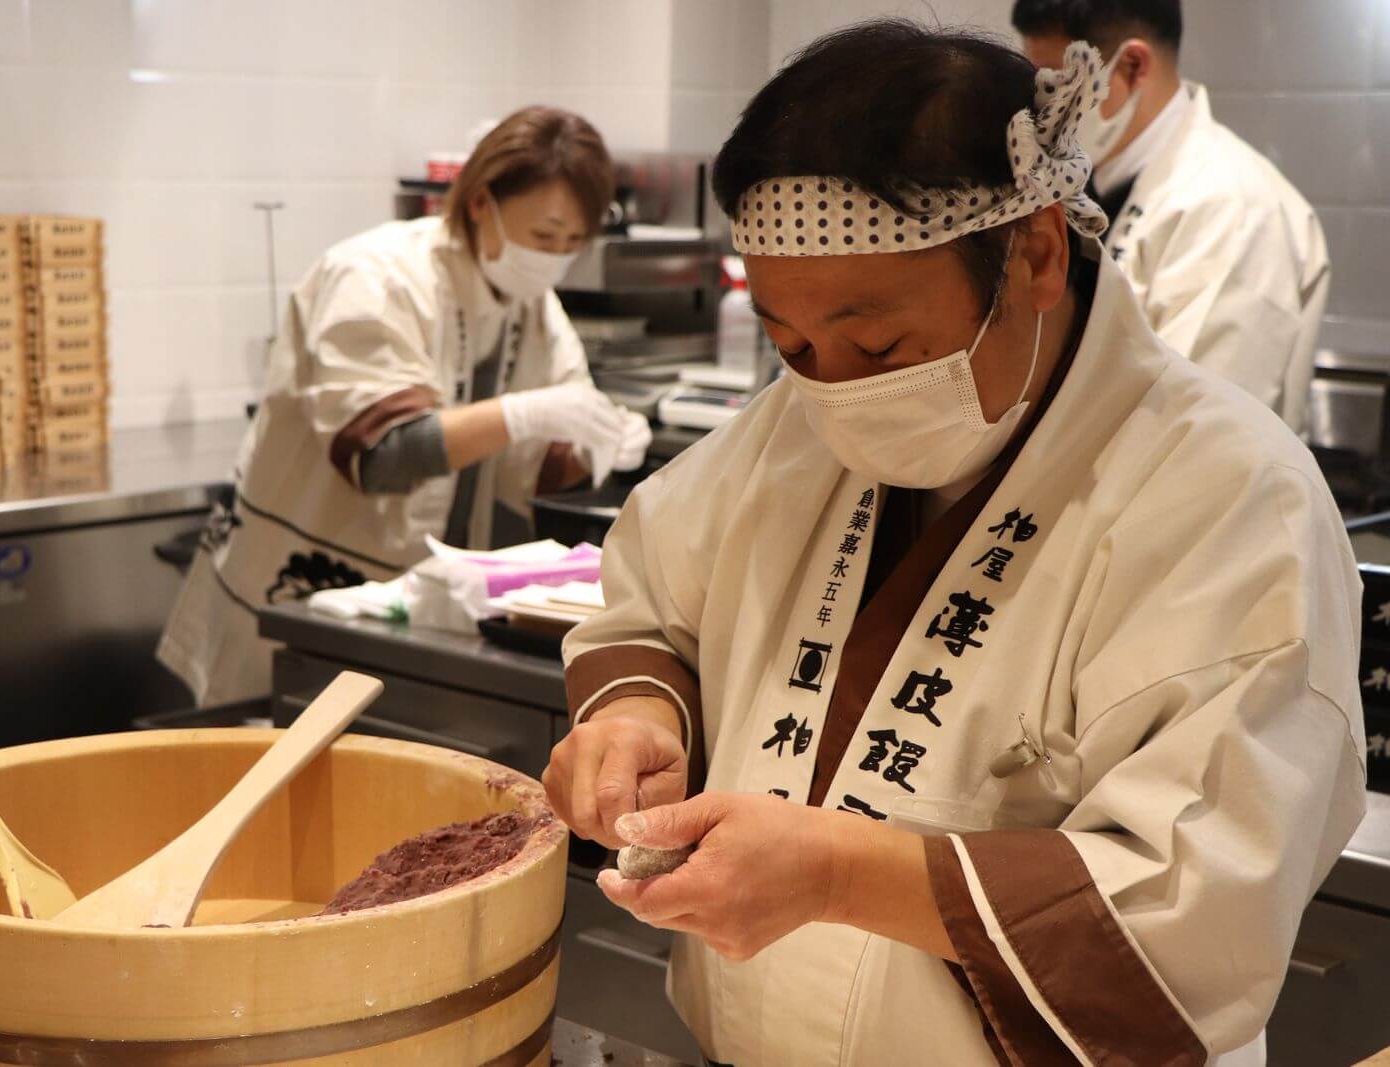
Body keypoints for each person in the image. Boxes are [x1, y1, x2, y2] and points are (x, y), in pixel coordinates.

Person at [543, 21, 1365, 1067]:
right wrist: (636, 712)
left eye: (879, 343)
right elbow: (655, 596)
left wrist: (841, 872)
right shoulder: (789, 428)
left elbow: (1197, 900)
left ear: (1031, 254)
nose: (834, 391)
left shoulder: (1226, 496)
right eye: (792, 346)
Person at [159, 106, 651, 708]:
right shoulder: (376, 277)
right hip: (297, 601)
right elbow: (383, 455)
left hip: (400, 610)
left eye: (573, 243)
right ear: (480, 203)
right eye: (544, 236)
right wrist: (523, 413)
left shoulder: (533, 307)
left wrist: (596, 443)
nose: (554, 257)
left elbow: (539, 471)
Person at [1013, 0, 1329, 435]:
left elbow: (1196, 426)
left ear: (1132, 66)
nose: (1040, 111)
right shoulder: (1088, 183)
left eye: (1056, 83)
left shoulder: (1232, 207)